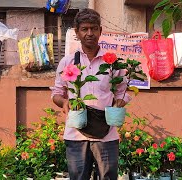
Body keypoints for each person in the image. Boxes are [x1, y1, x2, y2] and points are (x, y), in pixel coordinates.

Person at [51, 8, 131, 180]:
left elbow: (123, 90)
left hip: (107, 133)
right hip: (76, 133)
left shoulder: (112, 62)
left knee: (108, 177)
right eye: (85, 29)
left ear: (100, 31)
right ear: (76, 32)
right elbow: (57, 93)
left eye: (94, 28)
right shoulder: (68, 62)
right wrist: (64, 103)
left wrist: (119, 102)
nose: (90, 33)